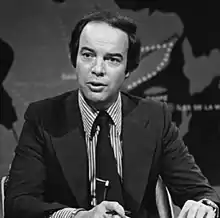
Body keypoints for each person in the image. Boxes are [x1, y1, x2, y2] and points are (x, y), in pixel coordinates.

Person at [5, 10, 220, 218]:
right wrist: (79, 216)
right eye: (88, 55)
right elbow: (19, 202)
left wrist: (205, 206)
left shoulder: (155, 118)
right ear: (75, 60)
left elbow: (199, 191)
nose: (97, 69)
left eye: (112, 59)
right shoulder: (43, 118)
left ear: (128, 69)